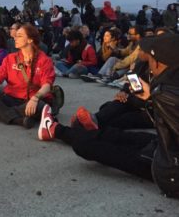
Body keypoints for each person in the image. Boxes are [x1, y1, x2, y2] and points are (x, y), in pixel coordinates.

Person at [38, 33, 179, 198]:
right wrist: (145, 96)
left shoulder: (165, 93)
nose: (145, 55)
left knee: (86, 145)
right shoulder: (166, 86)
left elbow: (164, 118)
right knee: (114, 132)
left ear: (158, 61)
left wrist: (150, 98)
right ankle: (67, 128)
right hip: (163, 147)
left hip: (168, 170)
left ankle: (56, 129)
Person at [0, 24, 56, 128]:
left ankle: (0, 113)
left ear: (30, 40)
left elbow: (47, 85)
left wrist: (35, 99)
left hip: (34, 99)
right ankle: (19, 120)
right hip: (12, 98)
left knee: (41, 106)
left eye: (19, 36)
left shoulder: (44, 60)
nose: (15, 37)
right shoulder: (10, 58)